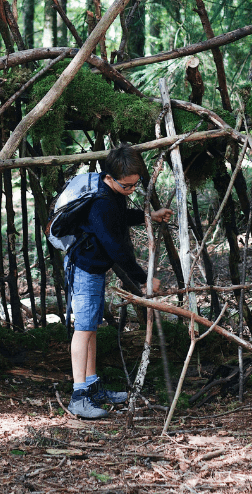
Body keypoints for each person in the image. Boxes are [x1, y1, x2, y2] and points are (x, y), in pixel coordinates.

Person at [66, 143, 172, 419]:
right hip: (85, 268)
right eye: (127, 186)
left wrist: (149, 215)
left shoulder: (113, 196)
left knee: (91, 328)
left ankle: (92, 387)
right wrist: (142, 279)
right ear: (109, 177)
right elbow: (114, 245)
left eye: (135, 185)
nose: (131, 191)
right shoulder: (101, 202)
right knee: (84, 329)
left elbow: (120, 218)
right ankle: (79, 397)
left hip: (94, 267)